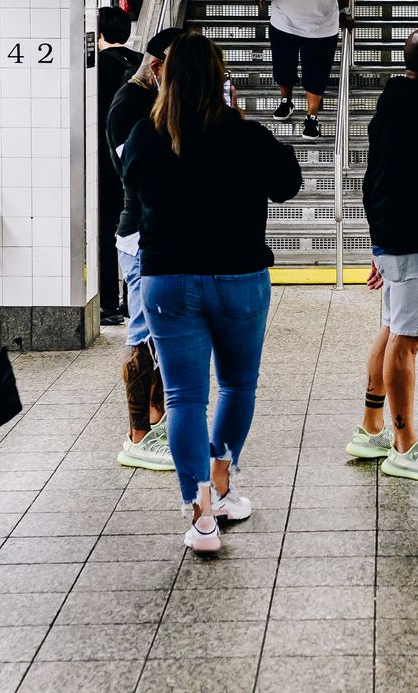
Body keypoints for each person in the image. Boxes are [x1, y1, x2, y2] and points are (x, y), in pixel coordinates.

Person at [121, 32, 302, 553]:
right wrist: (238, 119)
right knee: (238, 385)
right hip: (238, 278)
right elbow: (288, 183)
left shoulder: (144, 134)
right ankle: (221, 478)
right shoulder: (244, 134)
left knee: (183, 398)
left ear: (167, 79)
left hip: (167, 281)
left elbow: (133, 189)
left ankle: (201, 517)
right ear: (221, 79)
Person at [350, 26, 418, 482]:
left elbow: (374, 177)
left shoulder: (389, 105)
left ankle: (371, 427)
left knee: (394, 327)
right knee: (408, 340)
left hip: (391, 236)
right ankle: (404, 443)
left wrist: (378, 242)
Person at [106, 27, 185, 472]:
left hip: (161, 234)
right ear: (156, 66)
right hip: (140, 236)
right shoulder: (130, 104)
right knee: (140, 335)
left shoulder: (160, 100)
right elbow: (136, 173)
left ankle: (155, 422)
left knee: (157, 337)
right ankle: (137, 436)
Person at [255, 0, 356, 138]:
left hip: (320, 24)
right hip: (283, 18)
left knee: (316, 75)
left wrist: (345, 11)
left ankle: (312, 116)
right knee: (283, 68)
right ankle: (286, 101)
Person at [95, 6, 141, 326]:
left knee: (106, 231)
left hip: (105, 160)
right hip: (138, 158)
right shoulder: (142, 64)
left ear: (98, 33)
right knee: (134, 226)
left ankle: (108, 304)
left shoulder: (95, 67)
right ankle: (131, 300)